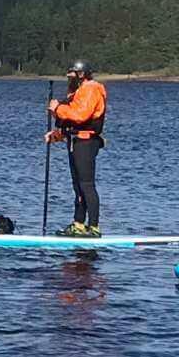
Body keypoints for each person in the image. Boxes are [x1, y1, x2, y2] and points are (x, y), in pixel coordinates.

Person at [45, 59, 108, 236]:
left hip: (86, 142)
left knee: (86, 184)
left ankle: (94, 227)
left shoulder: (91, 89)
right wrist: (56, 135)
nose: (69, 78)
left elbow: (81, 115)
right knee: (78, 185)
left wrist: (58, 109)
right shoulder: (78, 92)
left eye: (72, 75)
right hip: (76, 141)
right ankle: (79, 223)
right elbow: (71, 122)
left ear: (81, 74)